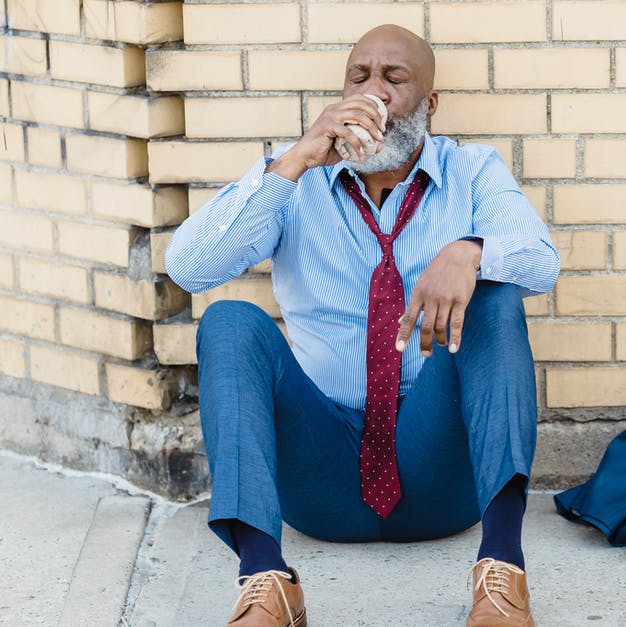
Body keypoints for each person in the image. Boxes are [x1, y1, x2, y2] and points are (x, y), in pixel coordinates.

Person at [166, 24, 558, 627]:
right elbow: (190, 267)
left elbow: (541, 258)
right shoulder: (298, 180)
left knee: (496, 300)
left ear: (428, 105)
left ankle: (502, 577)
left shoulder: (472, 171)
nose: (373, 92)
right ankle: (266, 583)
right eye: (360, 77)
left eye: (394, 79)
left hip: (438, 470)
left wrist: (472, 250)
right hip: (322, 470)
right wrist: (295, 157)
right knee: (229, 321)